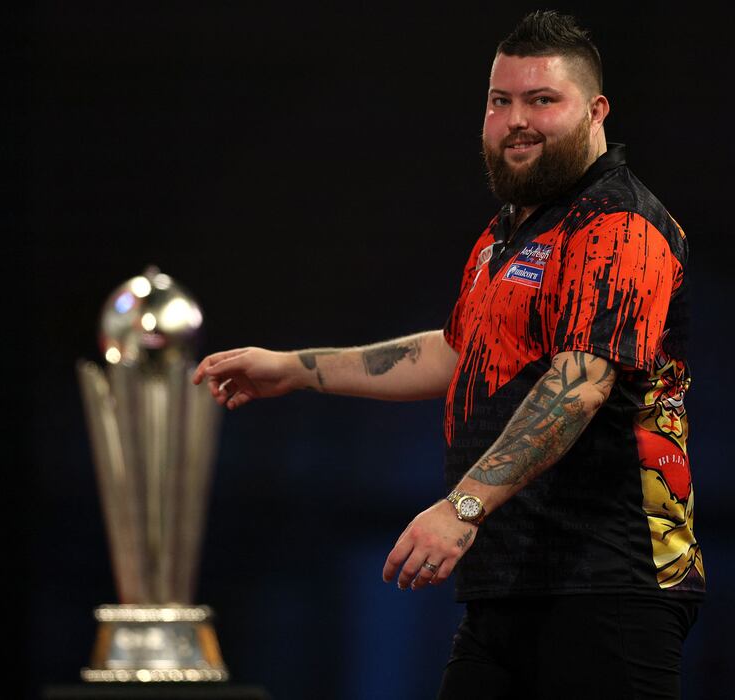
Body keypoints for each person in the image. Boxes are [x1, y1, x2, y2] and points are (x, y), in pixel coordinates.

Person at [193, 10, 703, 699]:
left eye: (541, 100)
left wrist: (461, 508)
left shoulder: (622, 225)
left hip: (609, 585)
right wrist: (293, 368)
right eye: (501, 101)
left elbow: (579, 383)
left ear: (595, 111)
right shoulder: (506, 234)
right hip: (507, 586)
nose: (517, 119)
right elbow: (455, 353)